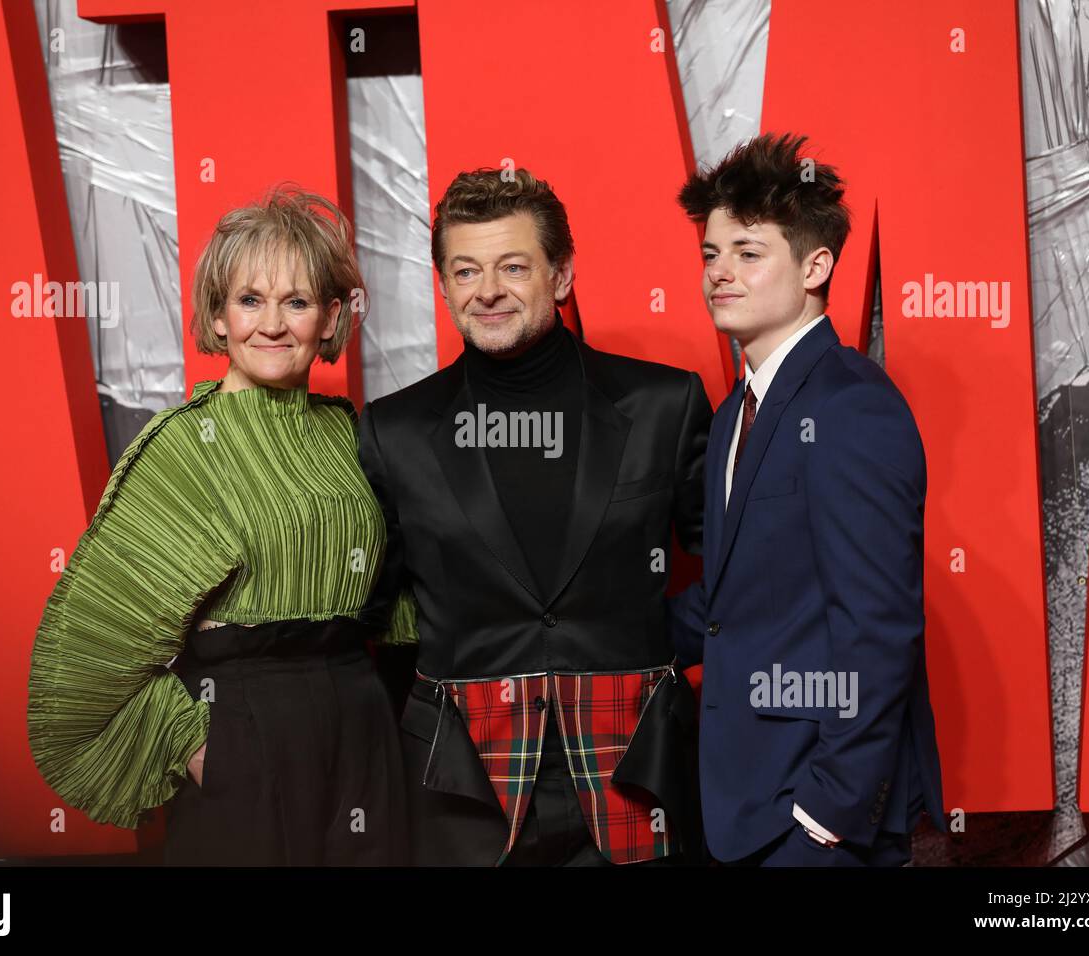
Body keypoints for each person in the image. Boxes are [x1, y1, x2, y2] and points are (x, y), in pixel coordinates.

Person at [27, 183, 406, 865]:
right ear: (220, 316)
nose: (272, 323)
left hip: (364, 732)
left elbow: (402, 596)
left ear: (329, 318)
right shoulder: (183, 447)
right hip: (248, 734)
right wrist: (207, 749)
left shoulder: (350, 434)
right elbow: (84, 663)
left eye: (296, 301)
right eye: (250, 300)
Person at [358, 167, 712, 865]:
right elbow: (375, 617)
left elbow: (738, 577)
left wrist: (648, 656)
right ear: (443, 284)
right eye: (465, 270)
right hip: (463, 791)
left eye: (513, 266)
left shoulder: (662, 406)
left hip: (636, 773)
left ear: (561, 275)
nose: (487, 289)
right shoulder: (393, 432)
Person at [669, 133, 946, 866]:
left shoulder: (851, 404)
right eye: (710, 254)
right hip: (745, 802)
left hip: (816, 817)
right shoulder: (736, 413)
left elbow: (879, 624)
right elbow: (733, 601)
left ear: (816, 264)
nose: (720, 274)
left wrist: (831, 807)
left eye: (748, 253)